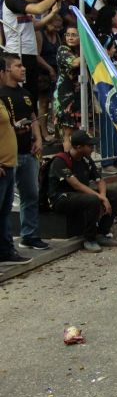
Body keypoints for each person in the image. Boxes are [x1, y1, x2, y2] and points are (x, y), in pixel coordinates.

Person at [0, 53, 49, 250]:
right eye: (18, 66)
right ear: (6, 70)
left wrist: (37, 137)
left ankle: (30, 235)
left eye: (23, 65)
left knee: (31, 195)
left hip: (27, 151)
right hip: (7, 156)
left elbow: (33, 115)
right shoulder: (1, 94)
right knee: (6, 202)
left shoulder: (26, 93)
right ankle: (6, 244)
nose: (23, 69)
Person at [48, 130, 117, 253]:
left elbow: (100, 180)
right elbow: (76, 185)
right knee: (93, 199)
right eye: (89, 145)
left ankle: (102, 233)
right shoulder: (61, 160)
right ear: (79, 147)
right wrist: (100, 197)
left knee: (115, 196)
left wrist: (103, 196)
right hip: (61, 198)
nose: (92, 147)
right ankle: (89, 239)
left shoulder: (86, 159)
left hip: (80, 196)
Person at [2, 0, 62, 107]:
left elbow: (35, 25)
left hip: (29, 53)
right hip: (18, 53)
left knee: (31, 96)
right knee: (22, 97)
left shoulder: (19, 4)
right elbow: (38, 9)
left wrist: (52, 14)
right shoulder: (12, 0)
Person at [0, 59, 29, 264]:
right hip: (1, 166)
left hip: (8, 164)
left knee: (4, 212)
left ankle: (5, 251)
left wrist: (14, 129)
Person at [54, 25, 81, 151]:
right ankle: (68, 162)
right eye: (68, 34)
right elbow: (74, 63)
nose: (70, 37)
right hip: (64, 96)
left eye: (74, 35)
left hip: (77, 97)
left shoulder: (78, 51)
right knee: (68, 133)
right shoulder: (62, 49)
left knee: (76, 133)